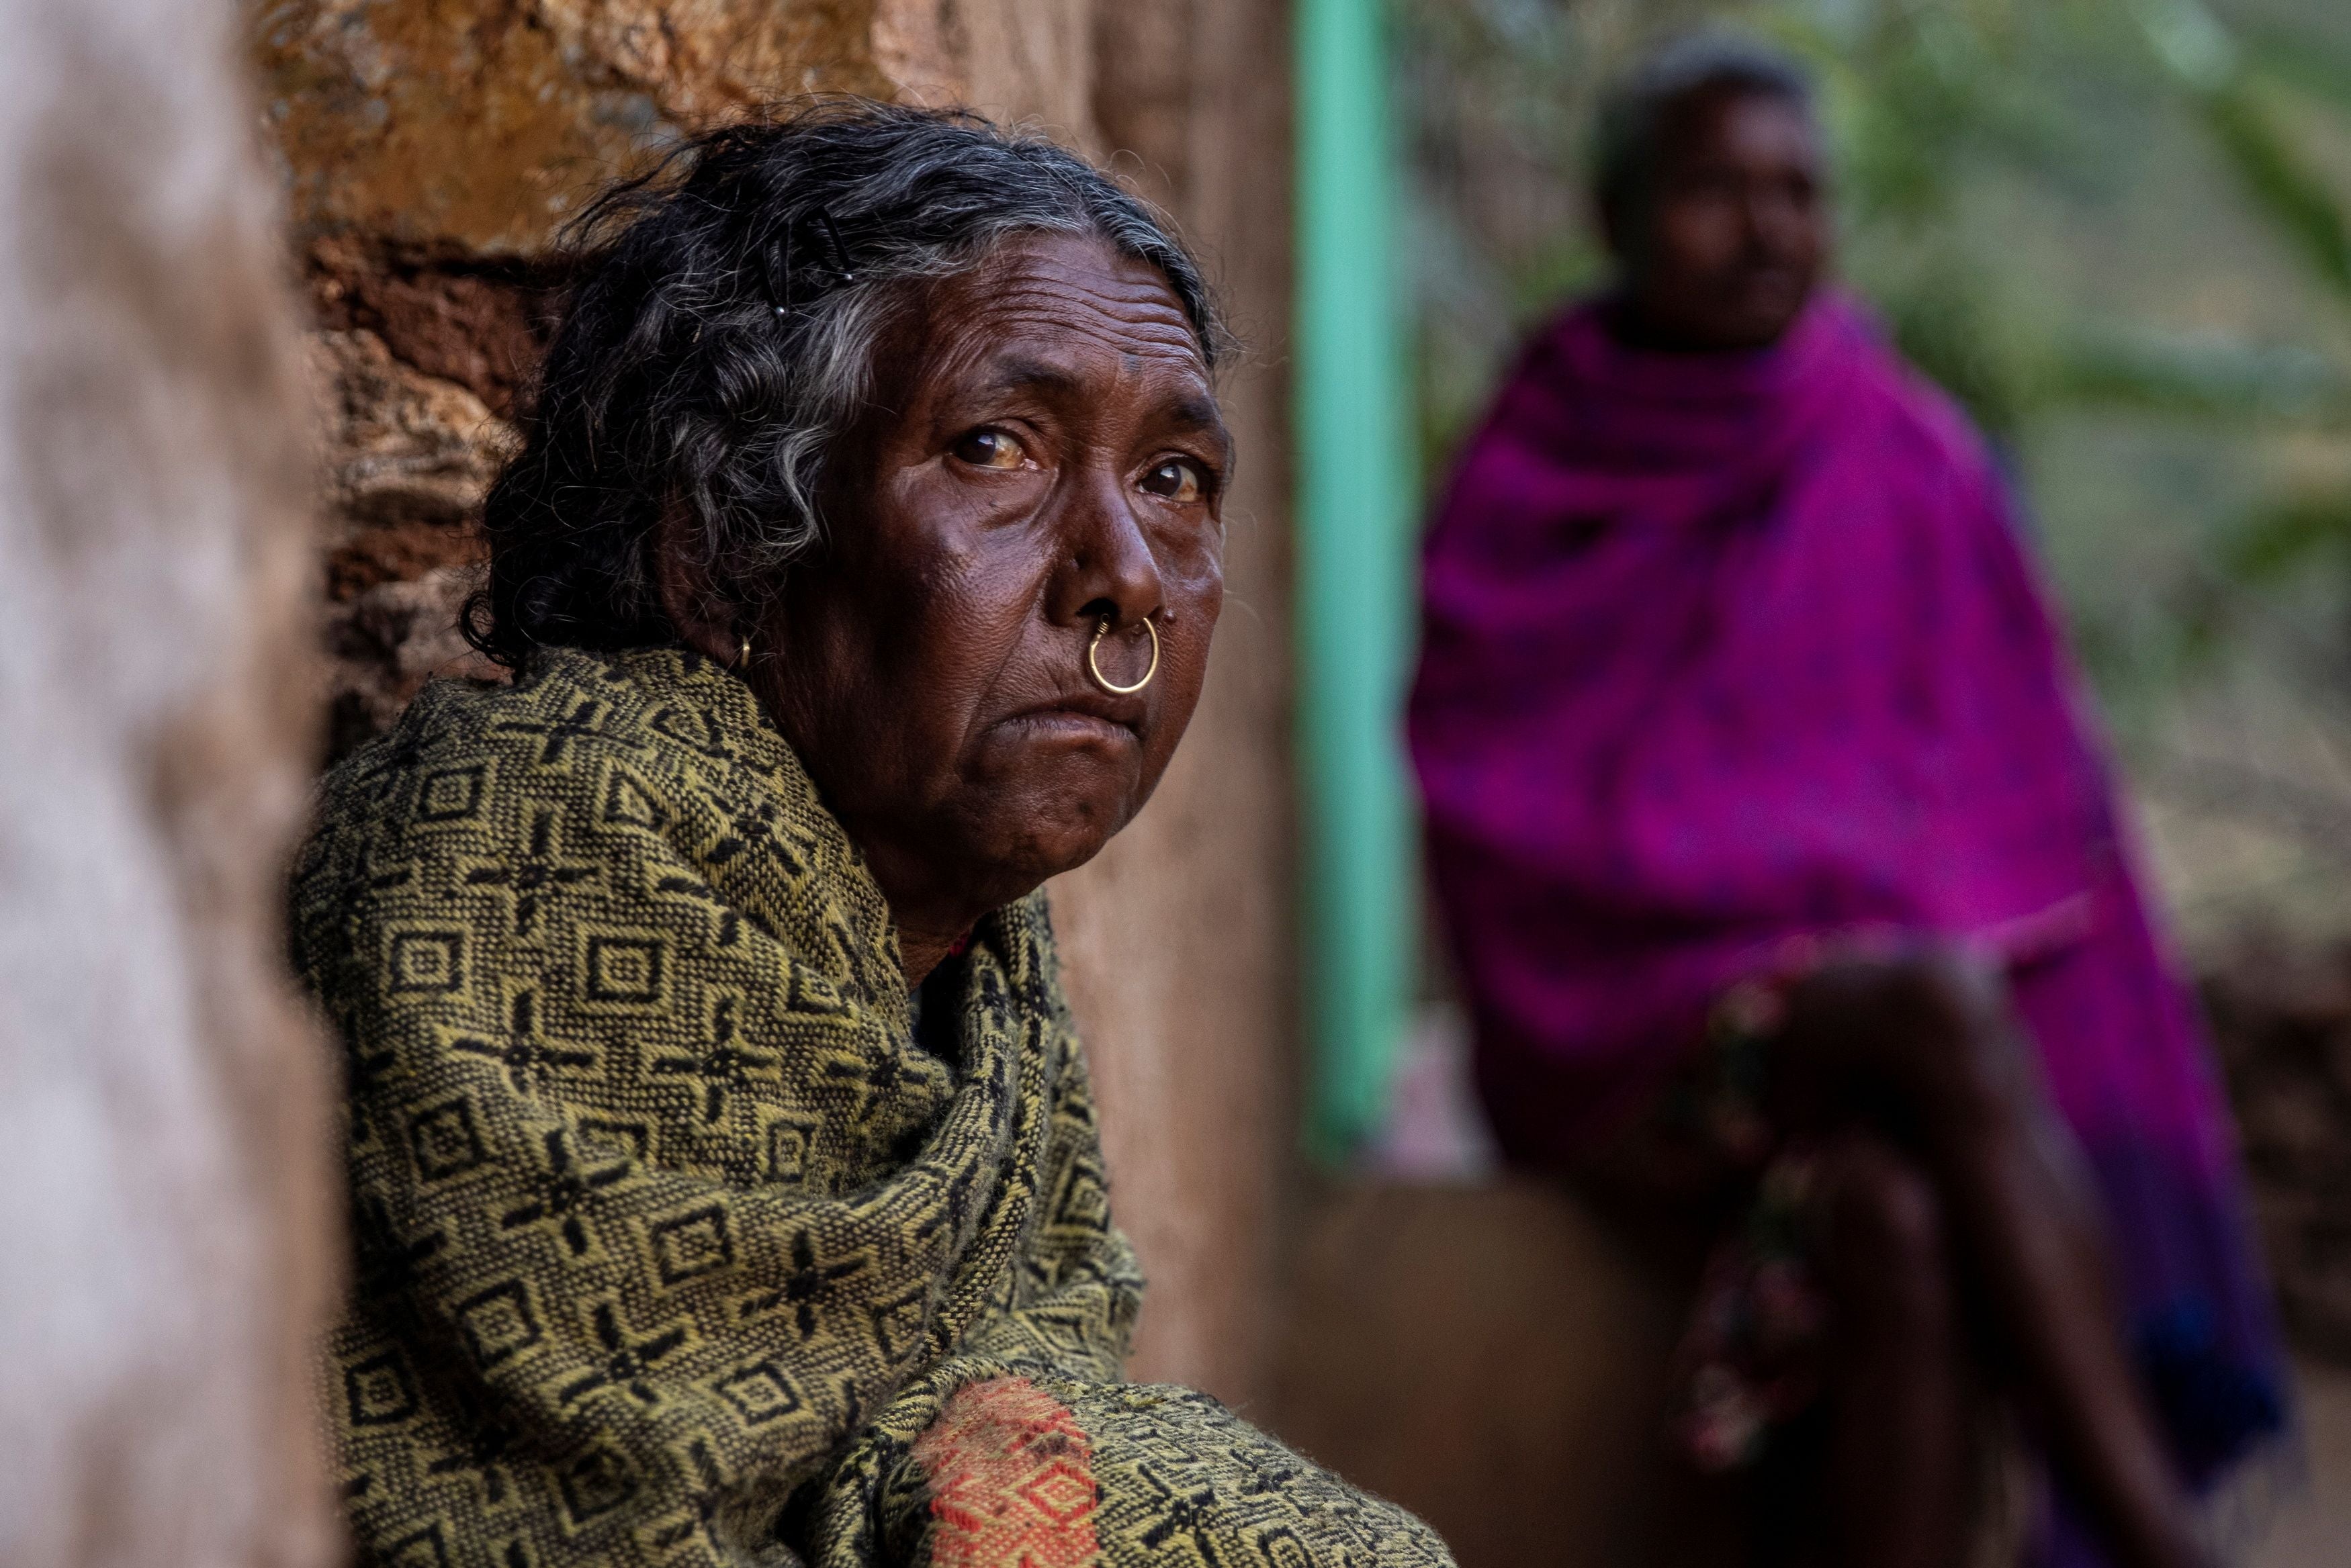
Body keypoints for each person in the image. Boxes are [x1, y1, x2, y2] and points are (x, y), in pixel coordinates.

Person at [292, 101, 1452, 1568]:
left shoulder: (970, 960)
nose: (1129, 579)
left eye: (1173, 478)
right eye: (994, 449)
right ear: (726, 555)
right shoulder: (545, 837)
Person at [1407, 36, 2285, 1568]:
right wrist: (1759, 917)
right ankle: (2161, 1545)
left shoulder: (1903, 452)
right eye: (1713, 192)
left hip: (1865, 1060)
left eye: (1799, 192)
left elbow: (2012, 794)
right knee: (1929, 1007)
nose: (1766, 231)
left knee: (1893, 1214)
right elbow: (1503, 798)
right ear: (1613, 222)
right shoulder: (1533, 467)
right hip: (1622, 1044)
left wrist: (1835, 917)